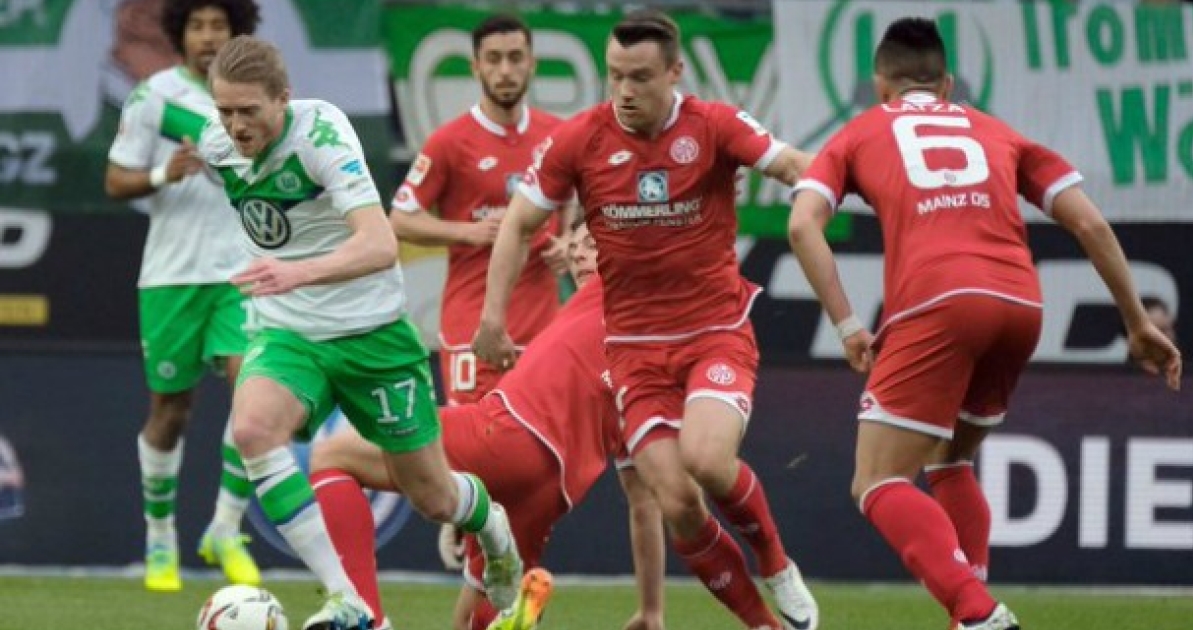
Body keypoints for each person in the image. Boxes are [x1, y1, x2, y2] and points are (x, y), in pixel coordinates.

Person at [787, 17, 1183, 630]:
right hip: (1021, 304)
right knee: (950, 459)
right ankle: (969, 616)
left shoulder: (862, 129)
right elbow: (1090, 224)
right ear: (946, 84)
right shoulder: (998, 131)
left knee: (877, 480)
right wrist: (1136, 322)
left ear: (880, 85)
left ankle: (976, 612)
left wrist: (846, 325)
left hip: (940, 301)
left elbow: (801, 225)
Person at [472, 10, 818, 630]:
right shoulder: (582, 138)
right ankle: (764, 625)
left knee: (706, 461)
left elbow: (793, 165)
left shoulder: (713, 125)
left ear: (674, 72)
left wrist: (855, 179)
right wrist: (492, 318)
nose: (624, 90)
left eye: (639, 77)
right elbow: (520, 222)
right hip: (632, 351)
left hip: (713, 332)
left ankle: (775, 560)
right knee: (677, 501)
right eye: (614, 75)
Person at [195, 35, 523, 630]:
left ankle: (491, 527)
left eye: (249, 110)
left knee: (434, 497)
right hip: (290, 332)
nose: (236, 126)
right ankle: (347, 599)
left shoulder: (322, 134)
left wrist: (296, 272)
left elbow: (379, 243)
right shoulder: (216, 143)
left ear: (284, 98)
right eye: (225, 111)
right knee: (252, 429)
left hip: (372, 334)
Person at [310, 219, 663, 630]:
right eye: (576, 246)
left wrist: (493, 312)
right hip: (551, 493)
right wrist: (651, 610)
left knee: (333, 454)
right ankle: (506, 615)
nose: (579, 253)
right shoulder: (645, 362)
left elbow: (520, 223)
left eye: (593, 245)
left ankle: (365, 616)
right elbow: (644, 502)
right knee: (470, 619)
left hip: (507, 437)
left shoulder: (615, 289)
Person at [104, 0, 262, 593]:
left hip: (241, 273)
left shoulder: (256, 99)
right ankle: (160, 535)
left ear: (237, 31)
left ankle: (226, 527)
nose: (208, 36)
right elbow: (115, 179)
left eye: (219, 25)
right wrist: (161, 175)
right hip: (172, 276)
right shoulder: (154, 98)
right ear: (180, 33)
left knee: (253, 400)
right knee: (171, 411)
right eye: (197, 26)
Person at [390, 13, 564, 408]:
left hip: (544, 327)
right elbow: (400, 219)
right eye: (493, 59)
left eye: (515, 58)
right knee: (475, 436)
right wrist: (467, 232)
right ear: (475, 67)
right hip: (473, 326)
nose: (505, 70)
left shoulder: (557, 135)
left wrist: (568, 240)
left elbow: (581, 203)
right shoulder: (449, 142)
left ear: (532, 64)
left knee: (546, 438)